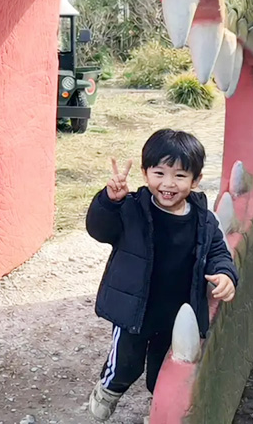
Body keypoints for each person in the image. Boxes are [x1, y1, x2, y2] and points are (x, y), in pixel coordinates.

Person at [86, 129, 238, 422]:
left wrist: (225, 274)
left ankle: (161, 412)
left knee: (163, 373)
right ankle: (108, 390)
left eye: (180, 176)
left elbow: (218, 252)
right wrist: (109, 201)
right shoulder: (131, 208)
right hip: (135, 310)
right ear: (145, 173)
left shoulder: (203, 220)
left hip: (177, 313)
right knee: (126, 364)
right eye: (159, 173)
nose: (168, 184)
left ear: (195, 180)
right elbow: (99, 230)